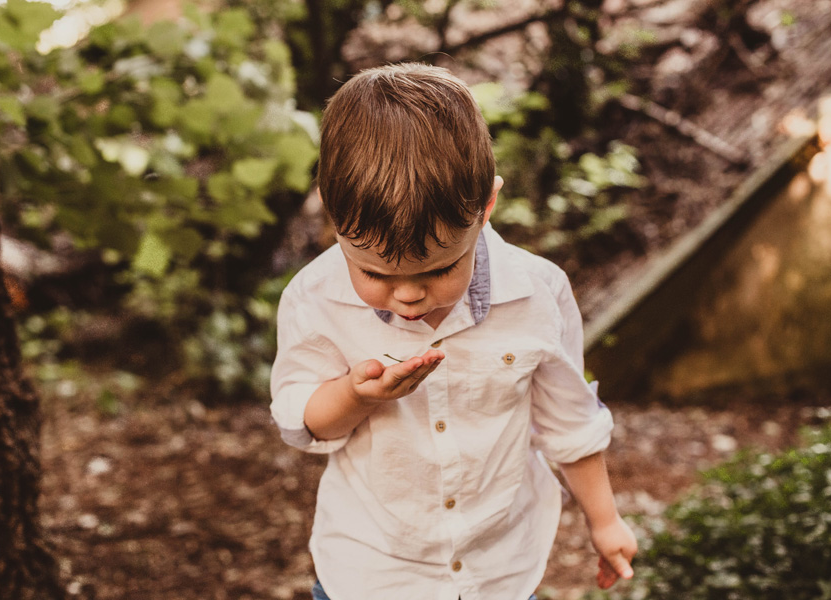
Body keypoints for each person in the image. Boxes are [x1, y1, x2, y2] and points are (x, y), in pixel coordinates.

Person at [270, 62, 637, 600]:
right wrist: (354, 395)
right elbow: (302, 422)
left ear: (485, 206)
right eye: (375, 274)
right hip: (371, 571)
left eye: (439, 269)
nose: (409, 295)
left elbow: (570, 421)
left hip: (500, 571)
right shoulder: (314, 299)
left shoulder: (537, 294)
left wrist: (605, 522)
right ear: (333, 214)